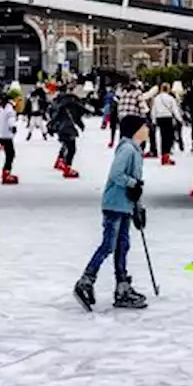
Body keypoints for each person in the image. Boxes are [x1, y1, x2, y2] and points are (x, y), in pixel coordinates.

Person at [73, 114, 150, 311]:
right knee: (109, 244)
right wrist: (132, 185)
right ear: (135, 130)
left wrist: (138, 208)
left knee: (123, 245)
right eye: (144, 127)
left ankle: (122, 286)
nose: (148, 130)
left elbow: (136, 186)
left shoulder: (136, 150)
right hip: (114, 205)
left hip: (124, 206)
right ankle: (86, 281)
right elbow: (117, 174)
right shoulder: (126, 149)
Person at [48, 85, 87, 179]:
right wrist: (81, 124)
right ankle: (67, 168)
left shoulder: (59, 101)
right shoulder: (71, 102)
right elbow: (76, 115)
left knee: (66, 145)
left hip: (60, 127)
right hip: (67, 128)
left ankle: (61, 161)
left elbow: (54, 114)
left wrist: (51, 125)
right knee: (71, 148)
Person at [0, 89, 22, 184]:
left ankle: (6, 172)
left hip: (1, 134)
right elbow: (10, 119)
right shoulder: (10, 108)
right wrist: (13, 127)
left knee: (9, 154)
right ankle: (6, 173)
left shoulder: (3, 107)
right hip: (6, 135)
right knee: (10, 154)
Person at [151, 82, 184, 166]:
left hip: (159, 118)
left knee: (162, 137)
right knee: (169, 138)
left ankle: (163, 157)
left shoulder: (156, 98)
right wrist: (180, 119)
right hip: (168, 118)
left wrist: (154, 120)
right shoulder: (170, 98)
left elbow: (153, 110)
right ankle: (166, 157)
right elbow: (175, 110)